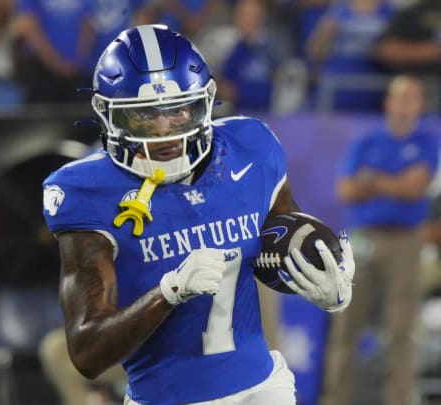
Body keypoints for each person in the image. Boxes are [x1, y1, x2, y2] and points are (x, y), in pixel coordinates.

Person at [41, 24, 355, 405]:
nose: (165, 132)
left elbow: (279, 248)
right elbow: (87, 352)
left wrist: (326, 283)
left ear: (204, 102)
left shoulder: (250, 148)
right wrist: (169, 292)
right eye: (142, 116)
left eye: (178, 112)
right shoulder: (85, 191)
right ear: (108, 116)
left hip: (261, 388)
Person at [321, 74, 438, 405]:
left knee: (401, 331)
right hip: (362, 238)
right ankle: (336, 400)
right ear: (388, 102)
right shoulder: (366, 139)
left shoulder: (428, 141)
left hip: (406, 241)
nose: (403, 105)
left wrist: (371, 180)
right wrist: (394, 183)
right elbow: (345, 189)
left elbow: (415, 187)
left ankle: (398, 400)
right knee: (346, 327)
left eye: (410, 98)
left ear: (419, 105)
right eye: (398, 97)